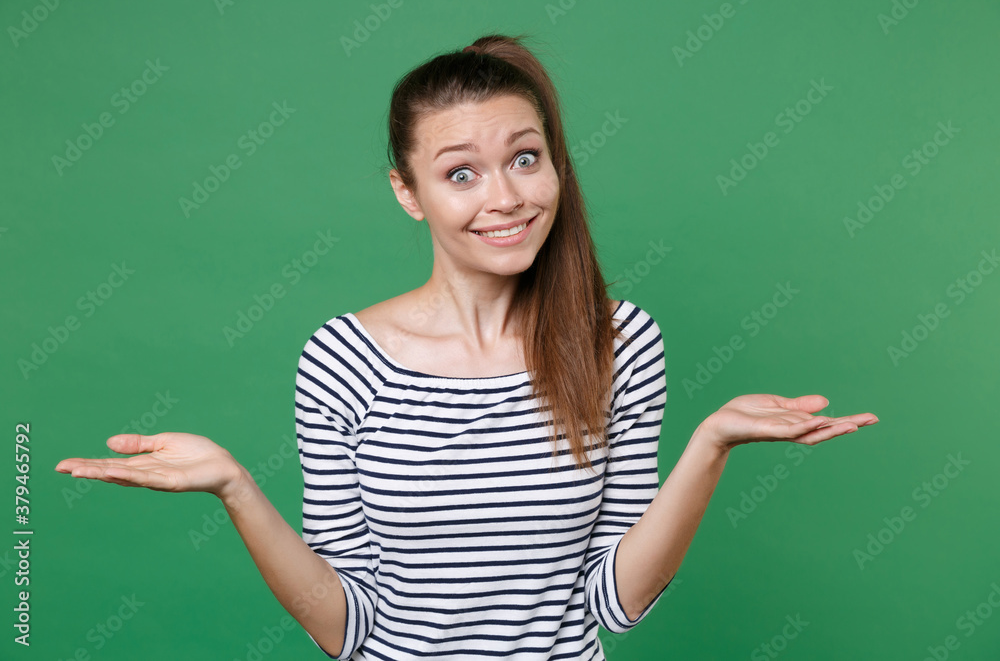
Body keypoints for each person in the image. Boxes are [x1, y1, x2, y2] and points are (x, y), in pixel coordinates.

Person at [55, 33, 878, 660]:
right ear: (406, 193)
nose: (508, 197)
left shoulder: (619, 340)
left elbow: (611, 601)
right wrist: (235, 487)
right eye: (460, 173)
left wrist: (710, 444)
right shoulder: (342, 358)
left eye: (525, 158)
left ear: (556, 164)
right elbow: (350, 626)